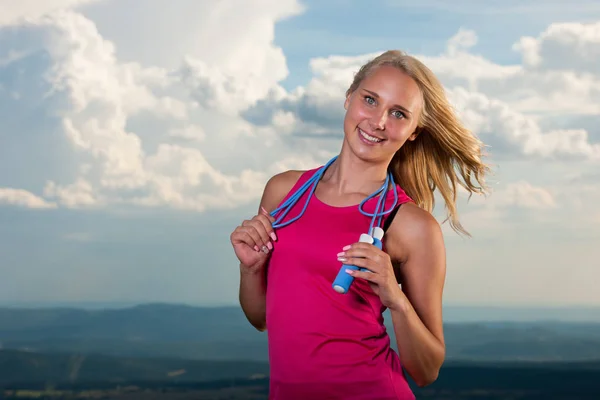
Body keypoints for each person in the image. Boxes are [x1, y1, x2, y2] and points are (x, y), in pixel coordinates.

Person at [230, 50, 489, 399]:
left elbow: (427, 370)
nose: (379, 121)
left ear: (414, 132)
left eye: (398, 114)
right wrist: (251, 270)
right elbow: (261, 318)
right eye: (370, 100)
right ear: (349, 98)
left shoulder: (411, 225)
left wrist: (394, 297)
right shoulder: (283, 194)